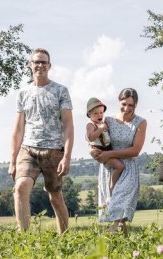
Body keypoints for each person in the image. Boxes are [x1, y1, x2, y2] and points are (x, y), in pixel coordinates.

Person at [9, 48, 74, 234]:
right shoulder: (22, 93)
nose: (40, 65)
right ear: (30, 65)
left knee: (55, 196)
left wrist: (67, 156)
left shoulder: (61, 91)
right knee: (20, 187)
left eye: (44, 62)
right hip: (28, 149)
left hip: (54, 150)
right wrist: (12, 160)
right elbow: (18, 129)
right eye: (36, 62)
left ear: (49, 66)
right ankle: (25, 238)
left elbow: (68, 125)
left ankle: (65, 238)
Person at [91, 88, 147, 234]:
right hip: (110, 168)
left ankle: (111, 231)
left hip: (128, 168)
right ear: (118, 101)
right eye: (124, 104)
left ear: (136, 105)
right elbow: (97, 139)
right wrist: (94, 151)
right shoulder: (108, 120)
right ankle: (124, 246)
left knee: (120, 202)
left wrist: (109, 154)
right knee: (113, 207)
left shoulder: (140, 122)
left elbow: (135, 150)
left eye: (131, 105)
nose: (127, 108)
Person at [85, 97, 124, 192]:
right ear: (89, 114)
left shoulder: (102, 123)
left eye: (101, 112)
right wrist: (101, 129)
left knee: (118, 165)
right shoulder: (91, 125)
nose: (99, 115)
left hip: (107, 148)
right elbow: (90, 137)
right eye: (95, 113)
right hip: (100, 151)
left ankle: (113, 183)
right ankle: (112, 186)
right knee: (120, 166)